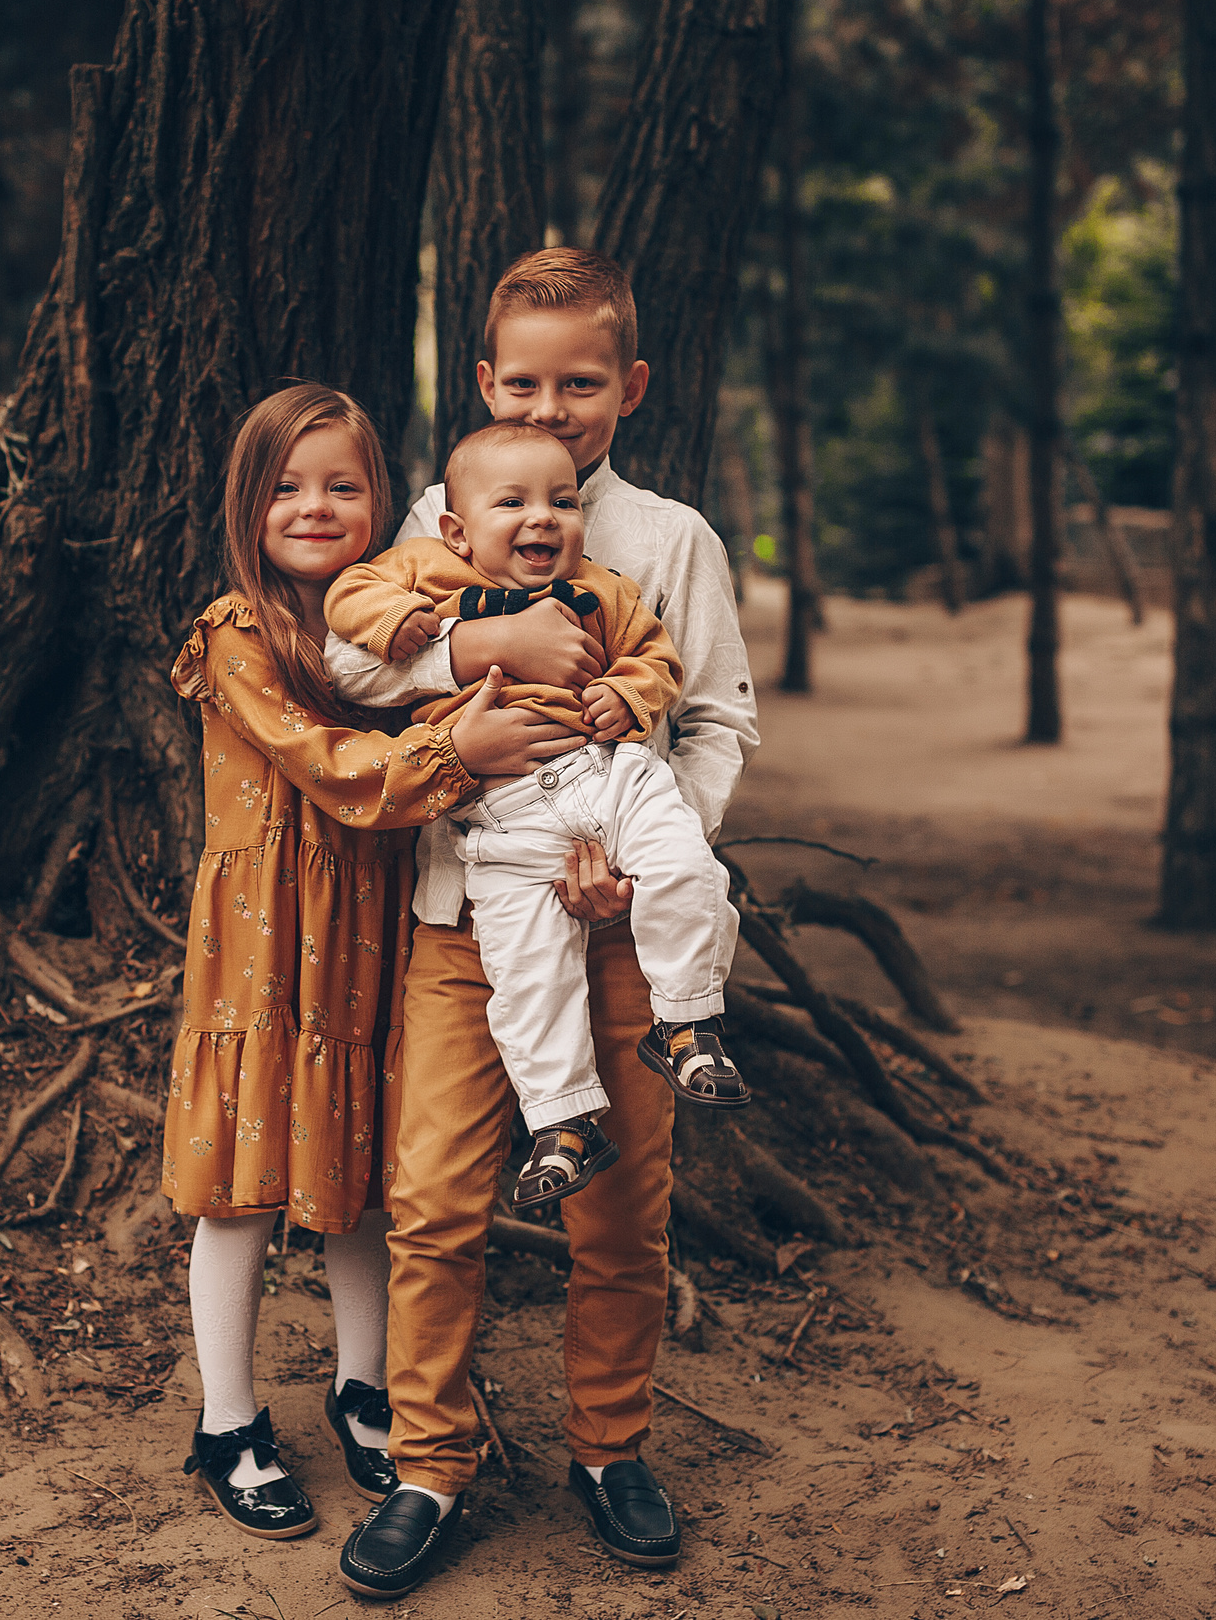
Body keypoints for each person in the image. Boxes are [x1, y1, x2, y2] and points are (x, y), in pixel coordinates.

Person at [325, 248, 758, 1598]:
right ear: (483, 380)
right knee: (438, 1198)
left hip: (622, 930)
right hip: (465, 918)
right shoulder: (437, 515)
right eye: (526, 381)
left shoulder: (671, 538)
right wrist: (478, 650)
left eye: (582, 383)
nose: (554, 406)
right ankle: (431, 1461)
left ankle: (610, 1444)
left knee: (623, 1205)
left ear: (628, 386)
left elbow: (721, 715)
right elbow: (347, 656)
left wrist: (643, 855)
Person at [161, 382, 581, 1542]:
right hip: (259, 946)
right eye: (287, 487)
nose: (315, 506)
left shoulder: (385, 625)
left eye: (343, 486)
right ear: (247, 505)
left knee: (360, 1175)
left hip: (366, 931)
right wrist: (462, 744)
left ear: (383, 503)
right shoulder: (235, 633)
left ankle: (364, 1389)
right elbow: (331, 763)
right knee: (242, 1182)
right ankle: (229, 1420)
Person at [322, 419, 746, 1215]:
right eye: (512, 501)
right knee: (527, 974)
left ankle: (689, 1022)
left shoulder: (605, 581)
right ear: (458, 526)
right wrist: (420, 629)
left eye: (560, 501)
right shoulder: (428, 561)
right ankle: (564, 1122)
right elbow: (350, 597)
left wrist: (627, 693)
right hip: (503, 818)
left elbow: (661, 660)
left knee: (689, 867)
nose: (542, 517)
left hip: (608, 776)